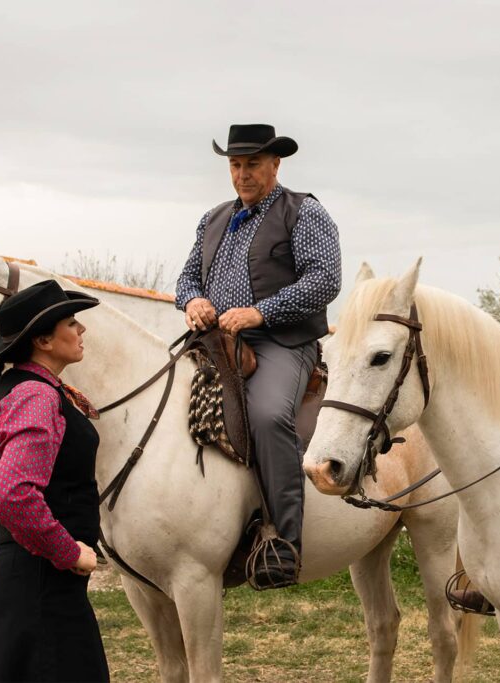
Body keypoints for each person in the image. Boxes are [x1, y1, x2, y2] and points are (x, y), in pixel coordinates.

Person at [175, 123, 342, 588]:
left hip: (282, 343)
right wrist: (193, 301)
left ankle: (284, 545)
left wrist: (259, 313)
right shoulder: (212, 219)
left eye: (252, 164)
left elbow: (323, 281)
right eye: (235, 164)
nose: (242, 174)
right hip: (214, 343)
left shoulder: (303, 212)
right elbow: (187, 278)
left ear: (275, 164)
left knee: (268, 415)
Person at [0, 279, 109, 682]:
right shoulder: (37, 396)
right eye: (71, 322)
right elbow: (15, 498)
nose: (81, 330)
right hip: (40, 584)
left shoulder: (41, 389)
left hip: (41, 582)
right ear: (43, 340)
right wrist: (69, 552)